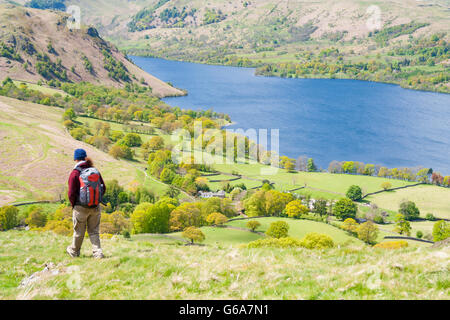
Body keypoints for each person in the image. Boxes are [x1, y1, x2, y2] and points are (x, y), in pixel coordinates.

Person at [66, 149, 106, 259]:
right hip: (95, 207)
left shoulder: (75, 173)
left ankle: (74, 251)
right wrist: (96, 200)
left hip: (80, 207)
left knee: (79, 232)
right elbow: (103, 187)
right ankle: (98, 253)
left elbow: (71, 193)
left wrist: (74, 205)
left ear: (75, 158)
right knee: (94, 232)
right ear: (85, 158)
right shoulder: (94, 170)